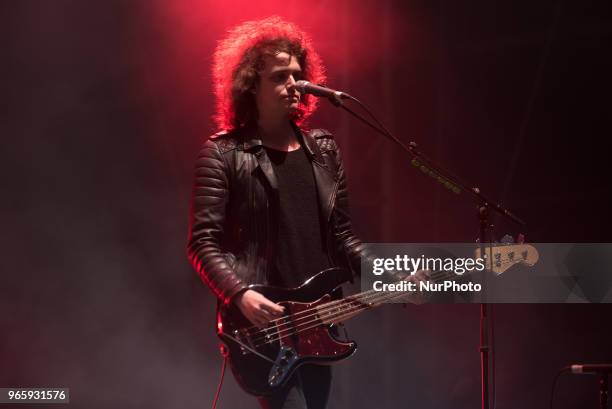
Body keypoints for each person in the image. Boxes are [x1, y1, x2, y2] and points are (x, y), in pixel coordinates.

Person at [187, 16, 409, 409]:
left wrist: (387, 271)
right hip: (265, 325)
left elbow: (342, 238)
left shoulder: (323, 151)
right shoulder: (222, 154)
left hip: (318, 321)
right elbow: (202, 243)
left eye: (296, 74)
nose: (294, 84)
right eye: (279, 76)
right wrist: (240, 295)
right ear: (251, 86)